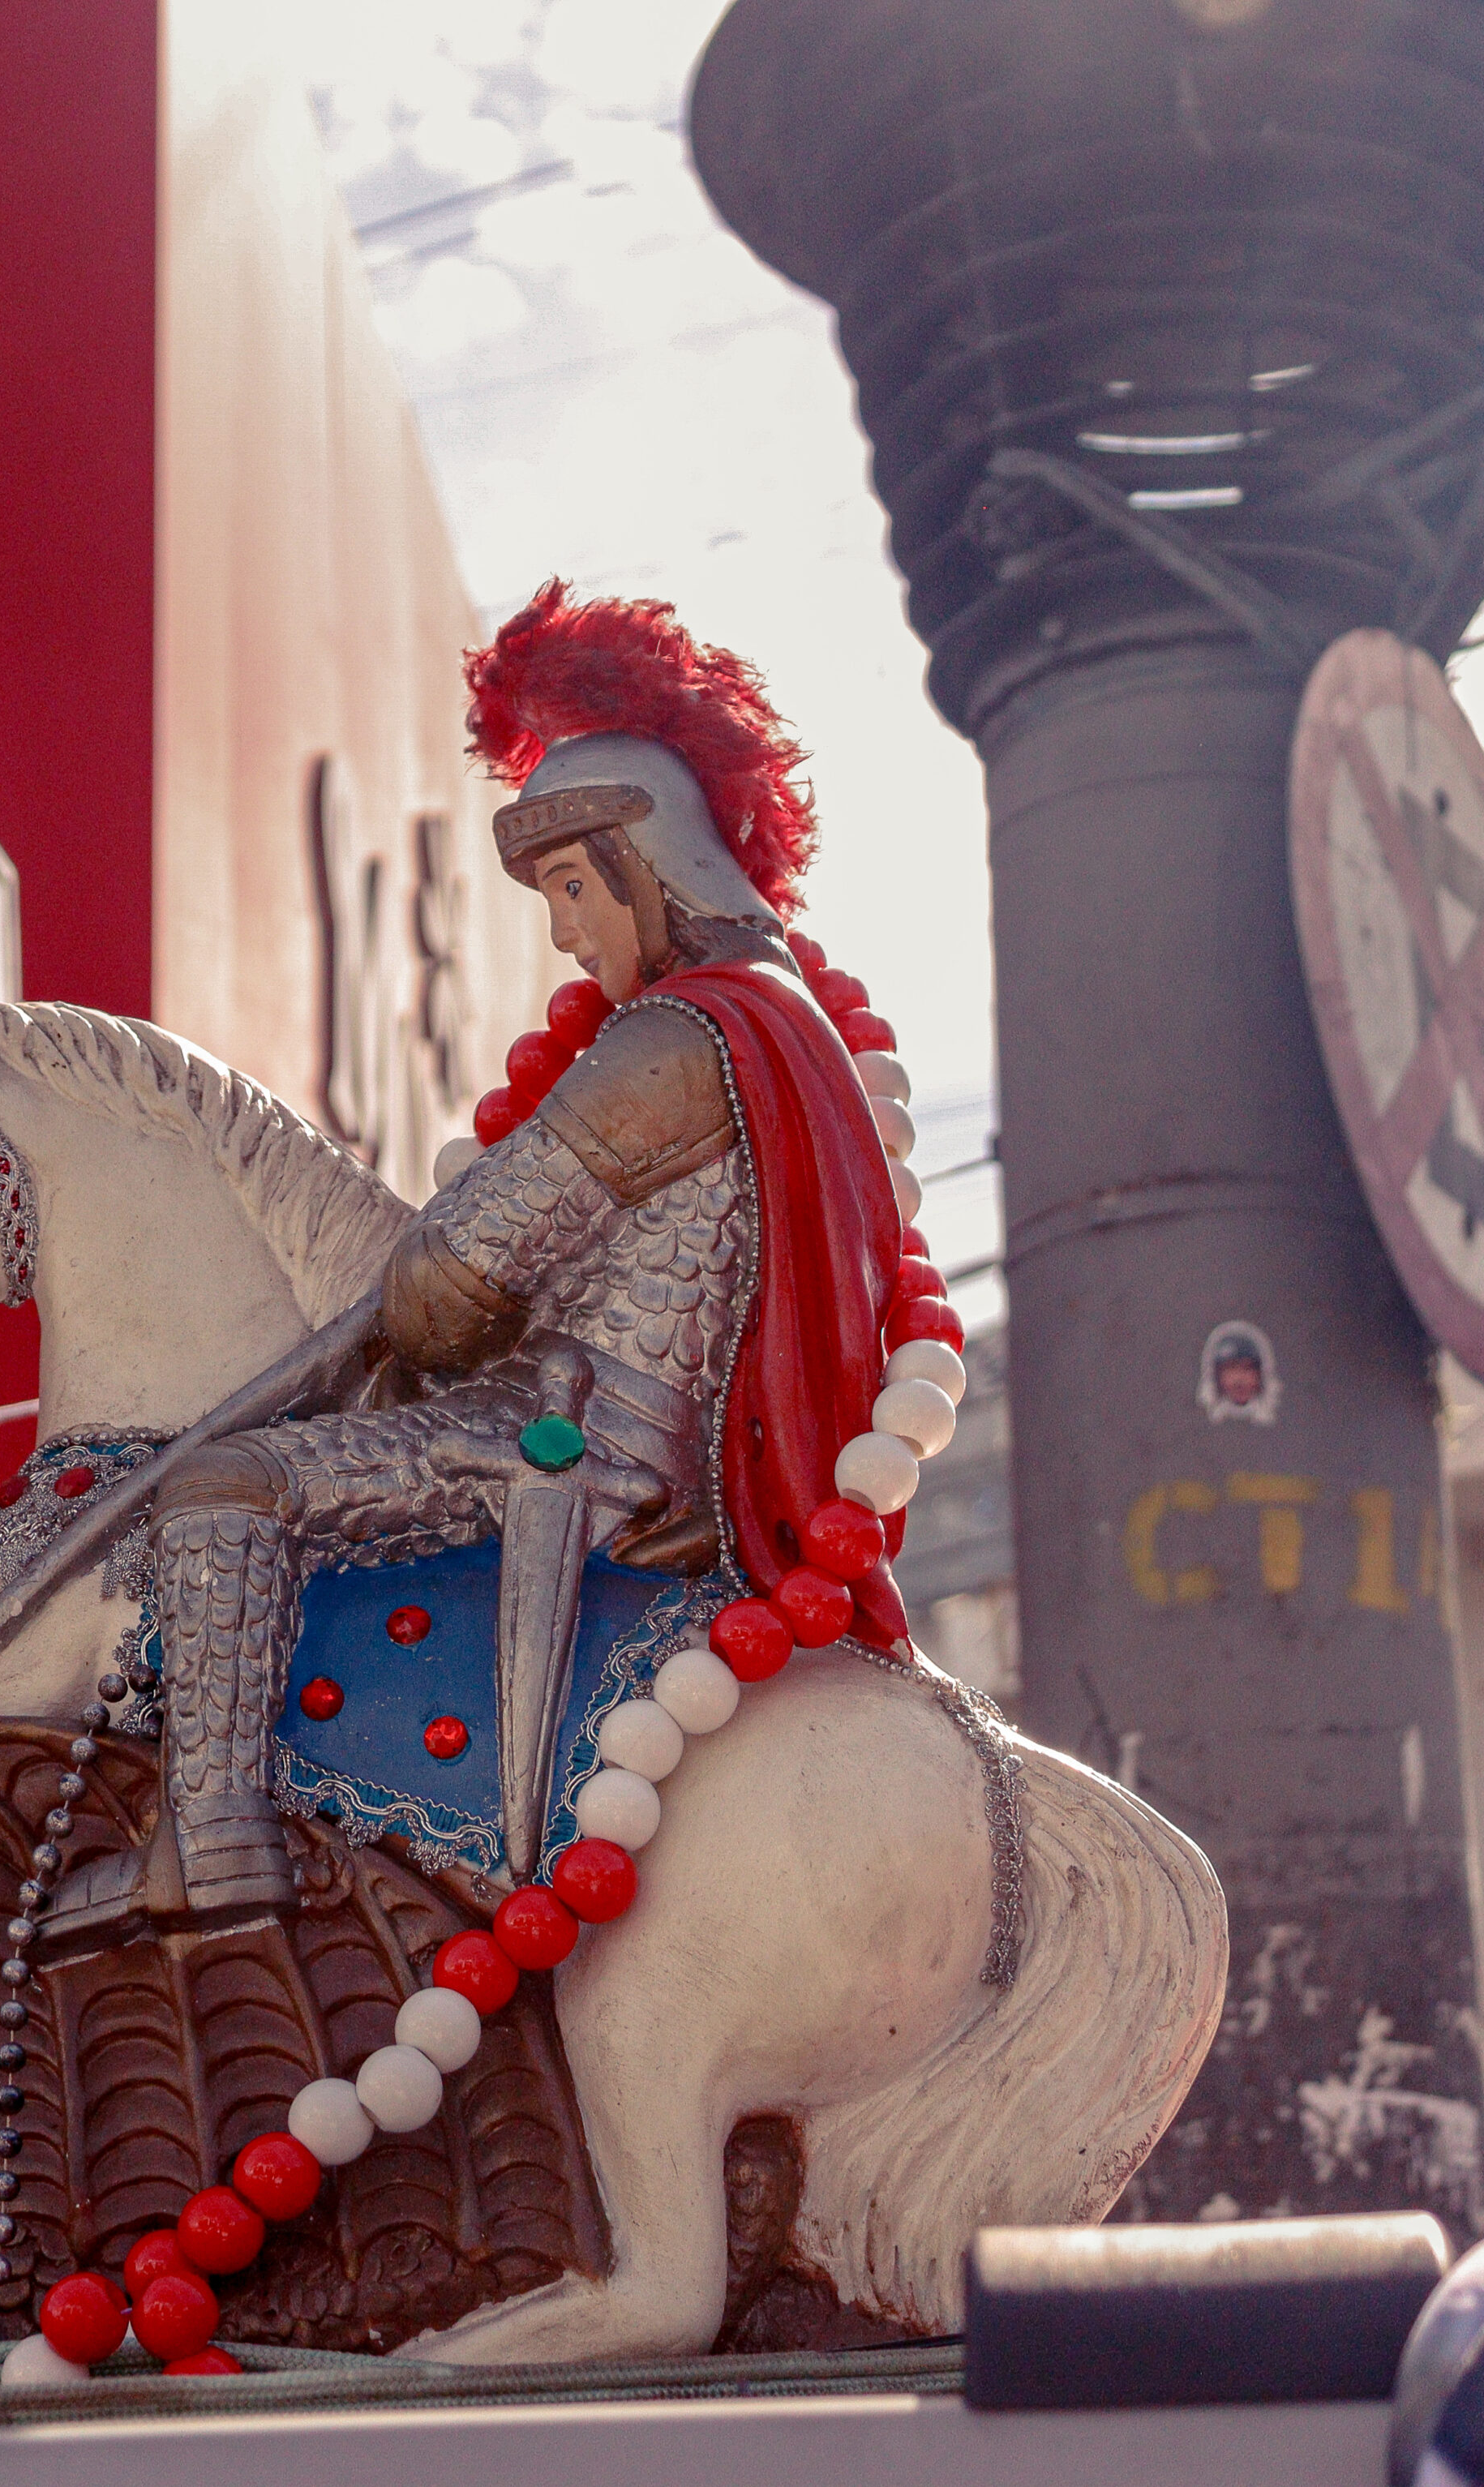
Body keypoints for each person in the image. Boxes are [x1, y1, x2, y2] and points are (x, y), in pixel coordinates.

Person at [120, 581, 919, 1916]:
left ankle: (214, 1847)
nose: (563, 930)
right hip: (641, 1439)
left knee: (220, 1485)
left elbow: (454, 1284)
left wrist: (421, 1291)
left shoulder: (669, 1043)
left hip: (567, 1444)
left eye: (571, 886)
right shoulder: (770, 1025)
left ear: (650, 864)